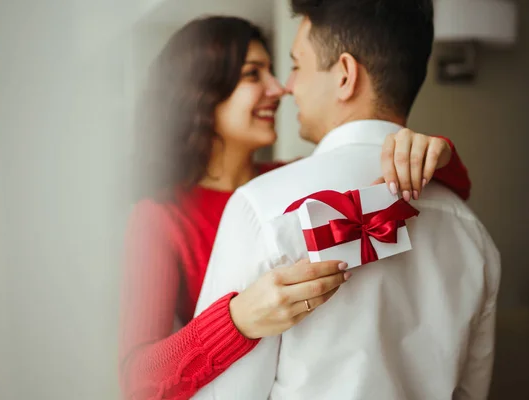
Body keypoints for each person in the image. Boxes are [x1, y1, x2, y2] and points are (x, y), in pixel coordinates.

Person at [120, 15, 473, 400]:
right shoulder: (160, 216)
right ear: (201, 92)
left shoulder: (291, 184)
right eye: (253, 75)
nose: (278, 88)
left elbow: (426, 195)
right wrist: (235, 321)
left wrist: (437, 153)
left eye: (276, 71)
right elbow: (136, 381)